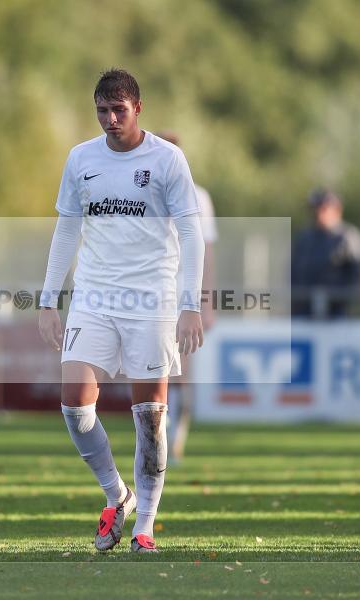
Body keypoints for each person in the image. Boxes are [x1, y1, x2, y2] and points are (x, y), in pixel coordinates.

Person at [38, 69, 204, 554]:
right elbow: (66, 230)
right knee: (74, 401)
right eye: (102, 111)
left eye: (119, 111)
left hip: (151, 300)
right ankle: (118, 495)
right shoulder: (81, 159)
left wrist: (190, 305)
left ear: (139, 109)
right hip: (94, 296)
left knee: (150, 418)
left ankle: (145, 528)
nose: (110, 120)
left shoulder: (168, 160)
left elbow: (192, 235)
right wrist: (49, 299)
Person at [156, 131, 218, 464]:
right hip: (151, 296)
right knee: (153, 369)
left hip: (184, 296)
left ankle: (174, 441)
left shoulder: (198, 196)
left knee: (182, 372)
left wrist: (204, 301)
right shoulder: (142, 192)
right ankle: (156, 438)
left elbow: (208, 252)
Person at [290, 188, 360, 318]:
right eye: (315, 208)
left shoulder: (348, 237)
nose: (318, 213)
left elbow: (356, 275)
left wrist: (336, 298)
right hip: (303, 310)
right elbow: (293, 271)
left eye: (323, 208)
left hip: (335, 313)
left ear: (337, 210)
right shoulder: (305, 237)